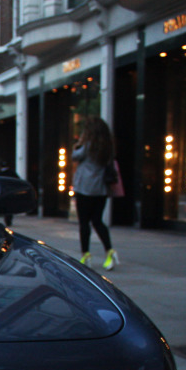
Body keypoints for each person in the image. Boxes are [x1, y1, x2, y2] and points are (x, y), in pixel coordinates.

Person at [71, 116, 120, 271]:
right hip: (101, 189)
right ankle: (110, 251)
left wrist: (78, 144)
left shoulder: (87, 145)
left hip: (85, 188)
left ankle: (86, 255)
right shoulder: (107, 146)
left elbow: (75, 156)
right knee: (97, 221)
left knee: (84, 222)